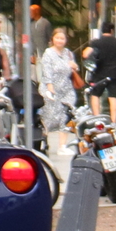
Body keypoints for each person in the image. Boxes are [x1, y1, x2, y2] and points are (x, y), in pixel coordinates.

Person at [39, 27, 82, 158]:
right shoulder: (48, 53)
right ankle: (43, 142)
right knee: (49, 117)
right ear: (52, 39)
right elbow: (46, 71)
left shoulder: (68, 53)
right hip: (52, 89)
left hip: (66, 89)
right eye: (57, 38)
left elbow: (74, 68)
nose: (60, 41)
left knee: (66, 116)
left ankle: (62, 146)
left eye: (62, 38)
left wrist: (75, 66)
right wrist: (50, 87)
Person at [86, 18, 116, 129]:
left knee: (95, 95)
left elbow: (85, 54)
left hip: (99, 73)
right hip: (114, 73)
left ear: (102, 30)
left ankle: (97, 119)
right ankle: (113, 122)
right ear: (112, 31)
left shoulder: (96, 42)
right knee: (113, 97)